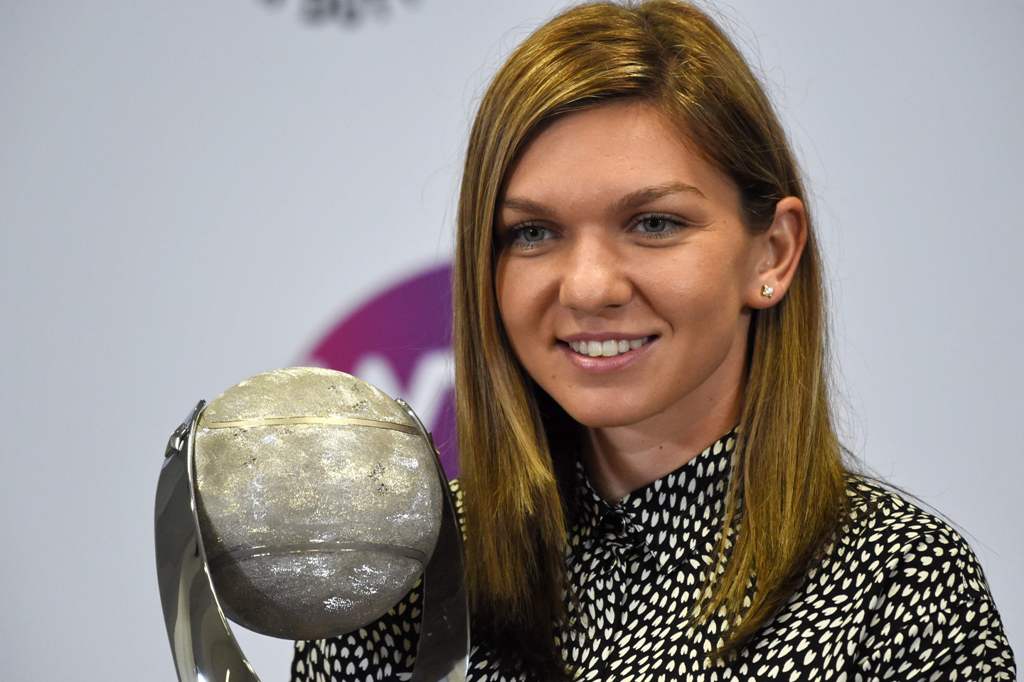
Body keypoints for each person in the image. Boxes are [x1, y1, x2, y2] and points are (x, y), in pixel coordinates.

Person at [292, 1, 1016, 680]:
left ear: (773, 254)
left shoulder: (897, 582)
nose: (588, 287)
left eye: (655, 224)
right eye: (533, 233)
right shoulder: (403, 572)